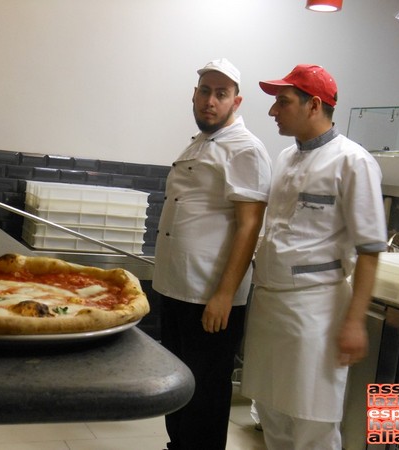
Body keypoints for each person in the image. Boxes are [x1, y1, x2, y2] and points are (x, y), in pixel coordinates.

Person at [241, 64, 388, 450]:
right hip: (270, 306)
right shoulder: (286, 157)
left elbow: (370, 250)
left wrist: (355, 322)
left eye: (282, 102)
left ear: (314, 105)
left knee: (312, 424)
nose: (273, 111)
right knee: (271, 412)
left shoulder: (353, 162)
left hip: (316, 311)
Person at [152, 58, 272, 450]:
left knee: (205, 392)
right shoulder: (201, 141)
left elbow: (249, 226)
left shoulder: (246, 149)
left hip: (210, 295)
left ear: (237, 101)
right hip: (176, 287)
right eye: (205, 91)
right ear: (194, 93)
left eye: (221, 94)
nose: (210, 101)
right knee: (178, 383)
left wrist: (224, 294)